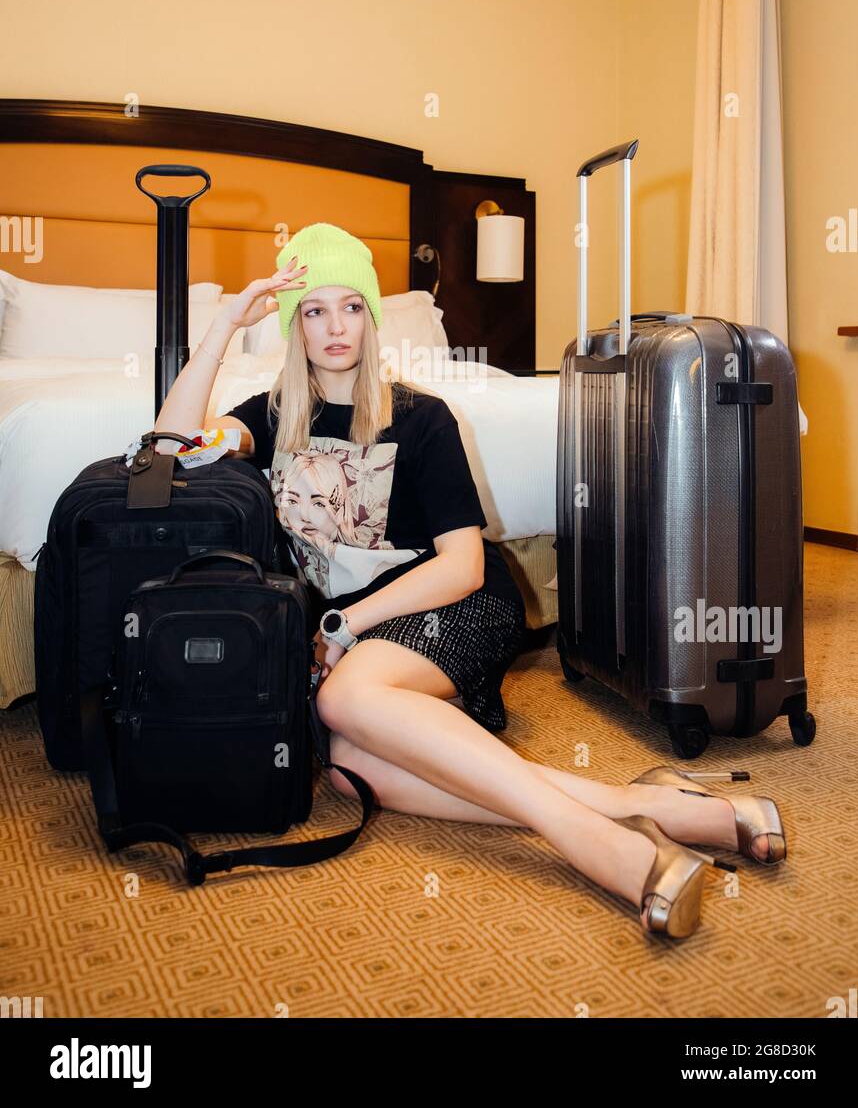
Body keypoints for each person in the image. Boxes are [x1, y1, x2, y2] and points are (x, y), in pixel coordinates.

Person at [153, 222, 787, 940]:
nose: (337, 327)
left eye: (353, 306)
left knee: (346, 696)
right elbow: (166, 455)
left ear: (373, 315)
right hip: (361, 639)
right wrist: (223, 330)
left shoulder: (423, 418)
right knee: (351, 770)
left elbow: (462, 565)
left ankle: (595, 844)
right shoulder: (267, 421)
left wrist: (343, 625)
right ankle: (658, 808)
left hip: (454, 606)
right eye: (315, 310)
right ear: (293, 324)